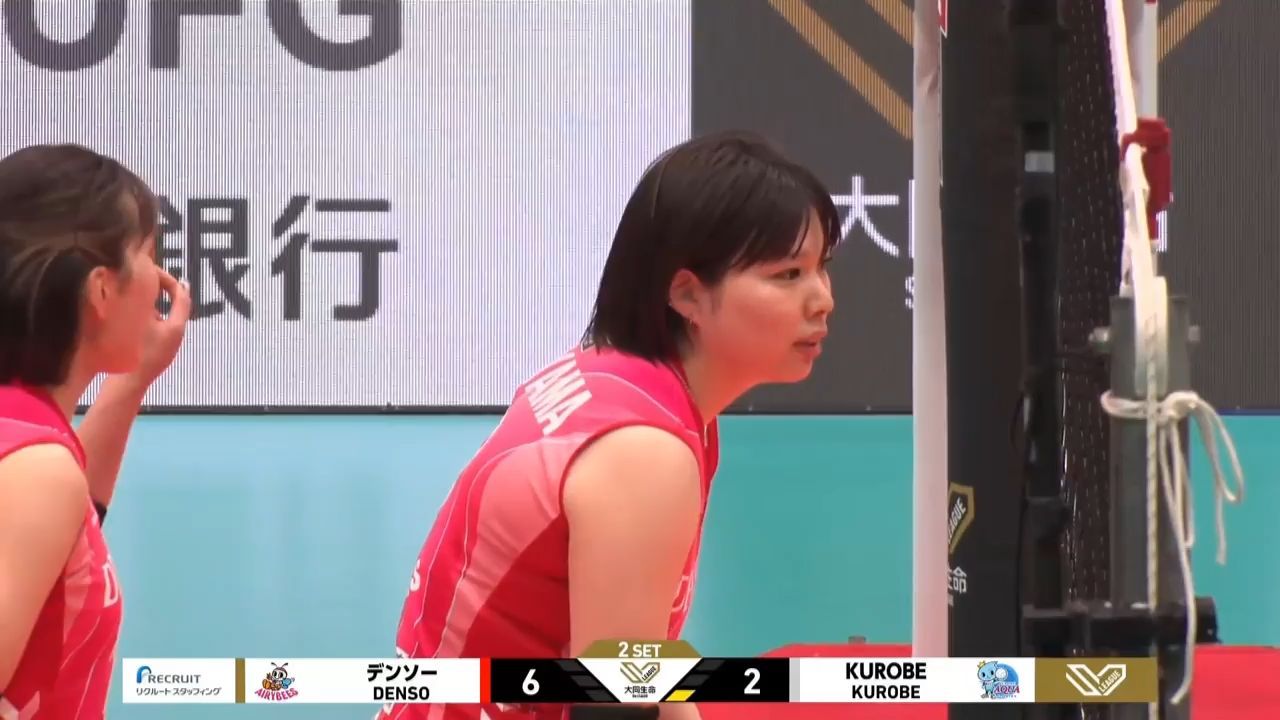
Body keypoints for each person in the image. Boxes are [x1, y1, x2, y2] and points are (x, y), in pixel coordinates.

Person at [380, 130, 840, 720]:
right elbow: (615, 708)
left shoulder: (619, 380)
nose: (822, 299)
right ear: (687, 295)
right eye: (788, 275)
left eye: (821, 268)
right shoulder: (643, 453)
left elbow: (642, 663)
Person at [0, 144, 190, 719]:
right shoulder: (37, 469)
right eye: (150, 255)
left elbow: (69, 535)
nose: (164, 280)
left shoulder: (32, 445)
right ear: (101, 291)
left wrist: (135, 379)